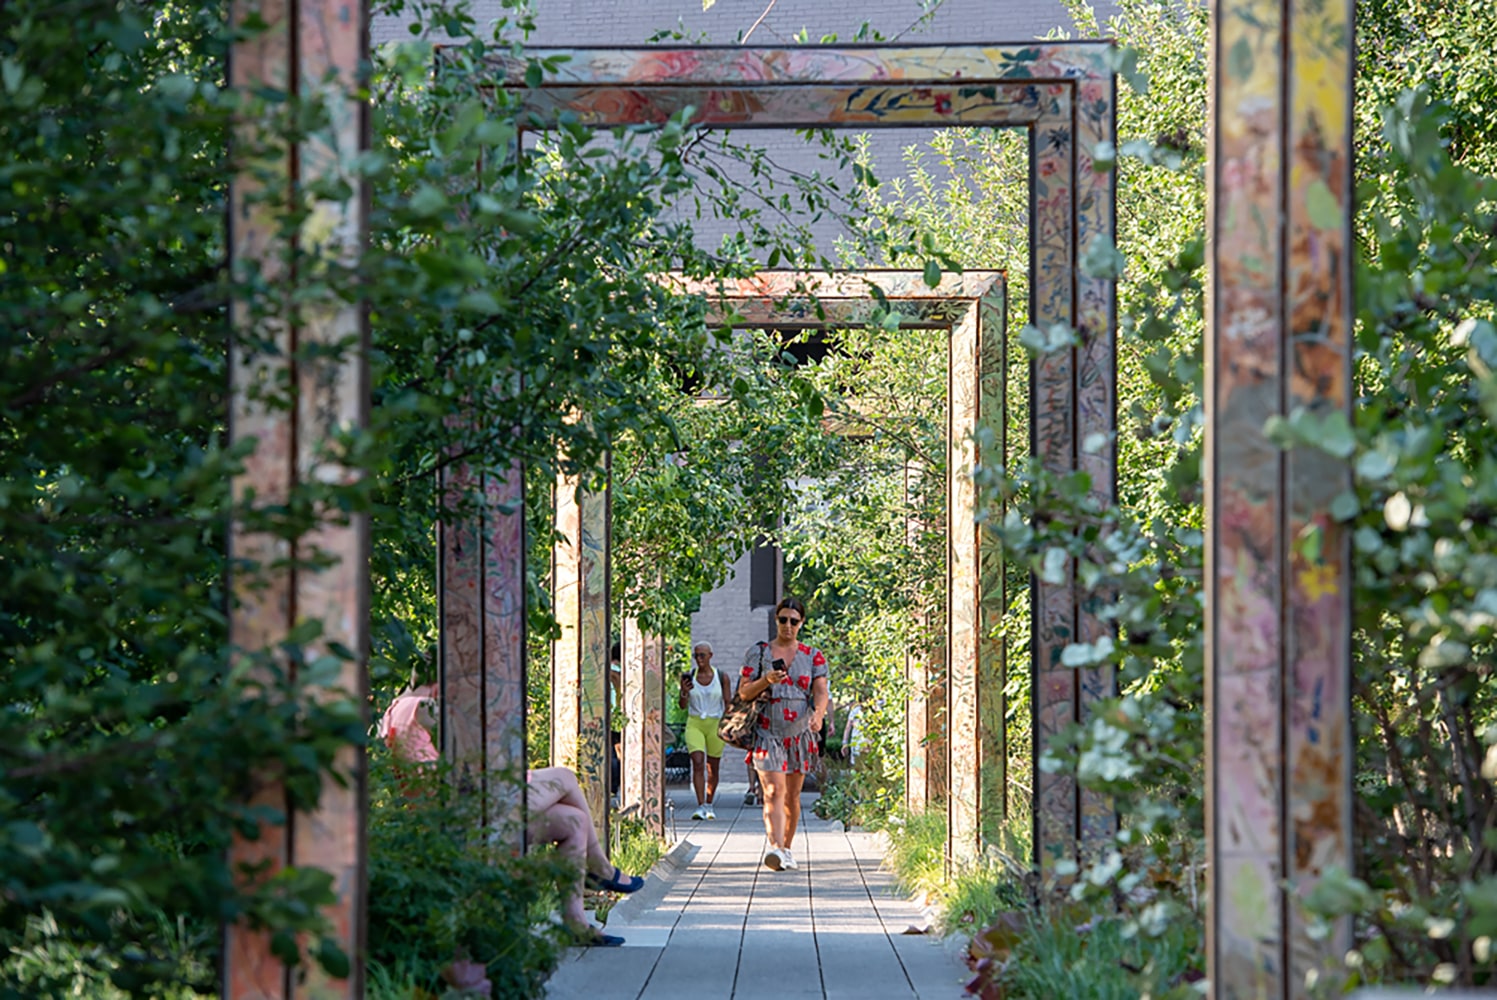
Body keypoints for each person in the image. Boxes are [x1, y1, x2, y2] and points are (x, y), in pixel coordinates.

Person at [736, 596, 829, 872]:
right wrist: (766, 680)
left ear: (801, 624)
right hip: (767, 731)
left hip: (799, 733)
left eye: (794, 621)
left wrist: (819, 714)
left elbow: (821, 691)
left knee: (791, 795)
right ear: (776, 620)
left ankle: (787, 849)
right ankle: (775, 848)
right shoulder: (759, 653)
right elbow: (743, 692)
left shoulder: (813, 655)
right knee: (773, 791)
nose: (788, 626)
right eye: (783, 620)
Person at [526, 765, 645, 946]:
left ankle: (576, 922)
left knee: (575, 821)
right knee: (564, 777)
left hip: (501, 791)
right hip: (485, 799)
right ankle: (600, 866)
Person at [678, 641, 732, 820]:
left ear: (710, 656)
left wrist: (728, 725)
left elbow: (728, 704)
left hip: (715, 724)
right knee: (698, 761)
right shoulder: (689, 677)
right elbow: (682, 705)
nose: (699, 659)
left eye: (702, 655)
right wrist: (684, 692)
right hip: (695, 723)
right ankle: (700, 805)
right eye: (696, 655)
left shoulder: (722, 677)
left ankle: (709, 803)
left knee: (713, 767)